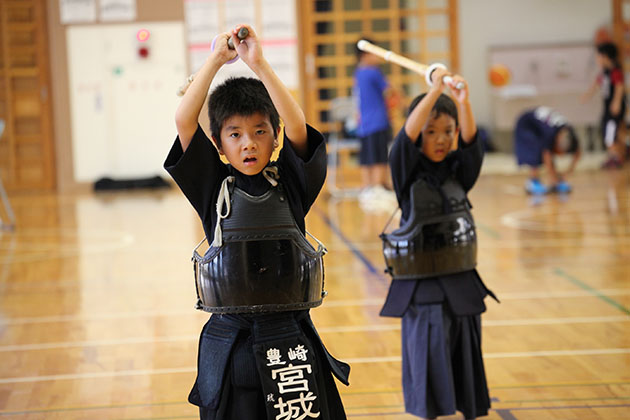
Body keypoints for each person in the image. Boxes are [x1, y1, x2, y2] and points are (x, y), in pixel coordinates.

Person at [165, 25, 349, 419]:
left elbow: (299, 128)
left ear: (274, 135)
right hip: (231, 343)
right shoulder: (212, 187)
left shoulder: (292, 184)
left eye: (259, 131)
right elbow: (184, 121)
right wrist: (215, 61)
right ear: (218, 144)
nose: (248, 142)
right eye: (235, 134)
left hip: (289, 340)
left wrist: (260, 64)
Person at [380, 67, 497, 420]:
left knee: (465, 366)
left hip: (461, 284)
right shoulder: (407, 174)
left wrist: (463, 101)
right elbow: (403, 139)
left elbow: (473, 146)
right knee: (427, 365)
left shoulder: (459, 173)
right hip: (422, 288)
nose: (441, 139)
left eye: (448, 131)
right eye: (431, 132)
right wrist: (433, 90)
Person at [353, 38, 398, 209]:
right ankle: (378, 186)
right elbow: (389, 91)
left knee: (367, 156)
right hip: (377, 121)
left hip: (364, 123)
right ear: (364, 55)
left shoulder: (358, 72)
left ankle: (367, 186)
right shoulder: (374, 72)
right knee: (379, 154)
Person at [514, 106, 581, 195]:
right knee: (536, 150)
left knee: (547, 151)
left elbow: (578, 152)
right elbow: (546, 156)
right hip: (526, 124)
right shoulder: (550, 133)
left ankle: (555, 180)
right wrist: (553, 177)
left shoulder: (569, 133)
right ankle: (533, 181)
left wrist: (569, 171)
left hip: (539, 126)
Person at [583, 41, 627, 169]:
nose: (597, 59)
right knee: (607, 130)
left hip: (614, 107)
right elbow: (597, 83)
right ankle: (613, 155)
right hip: (608, 107)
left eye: (598, 56)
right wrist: (587, 95)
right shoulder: (605, 72)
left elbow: (619, 86)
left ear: (605, 56)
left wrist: (617, 102)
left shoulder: (615, 71)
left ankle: (615, 157)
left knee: (610, 132)